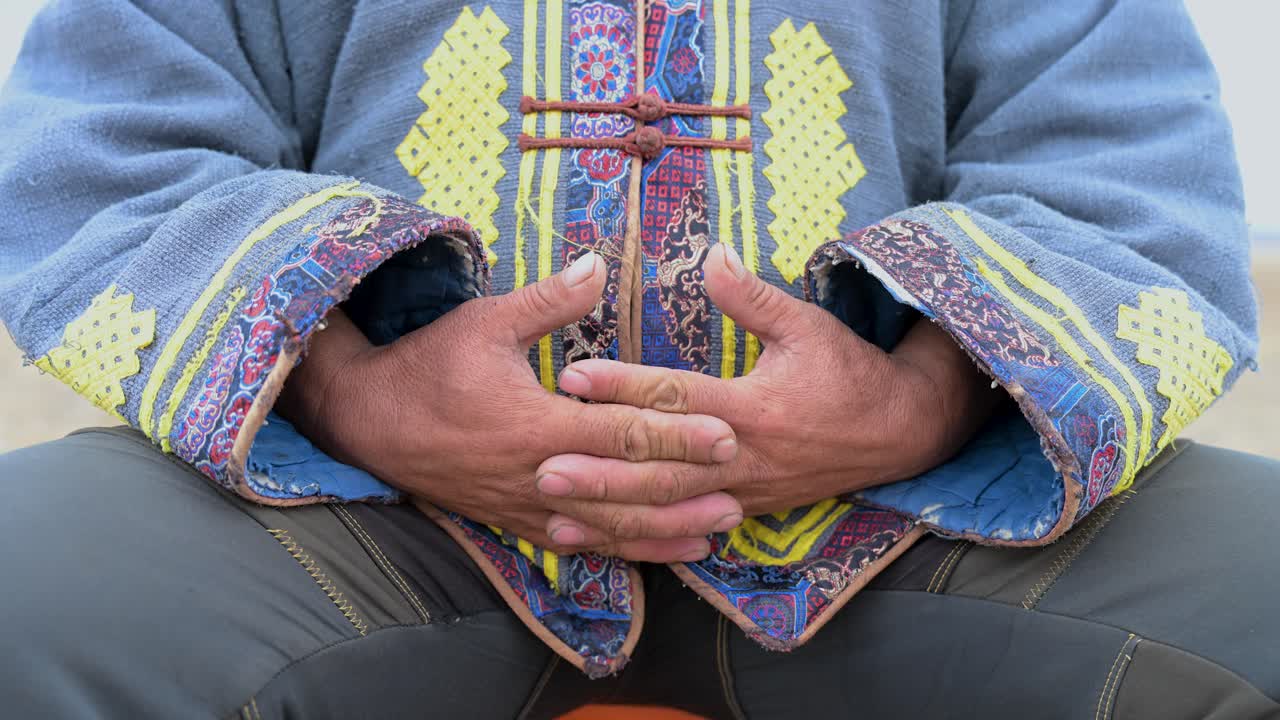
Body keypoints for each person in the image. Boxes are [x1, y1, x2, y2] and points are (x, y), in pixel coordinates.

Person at [1, 0, 1275, 717]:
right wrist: (354, 390)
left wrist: (917, 401)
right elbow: (106, 164)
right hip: (365, 524)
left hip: (907, 531)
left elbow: (1127, 188)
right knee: (30, 578)